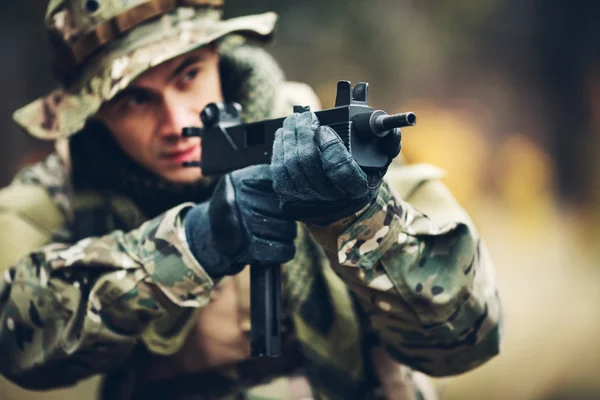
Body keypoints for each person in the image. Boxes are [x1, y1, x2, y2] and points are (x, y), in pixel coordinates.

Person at [0, 0, 503, 399]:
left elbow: (469, 337)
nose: (178, 124)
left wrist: (360, 220)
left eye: (187, 75)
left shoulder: (315, 142)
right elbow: (13, 335)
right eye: (134, 99)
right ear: (93, 114)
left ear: (219, 55)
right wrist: (191, 244)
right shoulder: (65, 187)